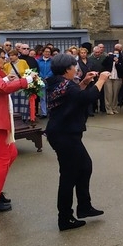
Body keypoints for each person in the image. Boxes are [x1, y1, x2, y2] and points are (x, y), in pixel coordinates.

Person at [45, 54, 110, 230]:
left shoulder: (58, 83)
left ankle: (84, 206)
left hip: (64, 132)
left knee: (85, 166)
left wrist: (85, 82)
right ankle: (65, 218)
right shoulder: (66, 85)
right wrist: (101, 80)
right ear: (67, 69)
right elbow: (86, 98)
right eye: (74, 66)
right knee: (69, 175)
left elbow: (73, 97)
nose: (76, 69)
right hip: (64, 134)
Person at [0, 46, 37, 213]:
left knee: (12, 153)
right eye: (2, 57)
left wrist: (6, 79)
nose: (5, 60)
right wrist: (27, 80)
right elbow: (3, 88)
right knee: (3, 159)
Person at [3, 50, 31, 122]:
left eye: (12, 55)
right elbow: (4, 74)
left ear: (17, 56)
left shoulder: (23, 62)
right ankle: (14, 117)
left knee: (23, 102)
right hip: (12, 86)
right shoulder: (6, 65)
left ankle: (24, 117)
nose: (11, 57)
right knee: (13, 102)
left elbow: (28, 72)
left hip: (22, 85)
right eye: (9, 56)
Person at [102, 46, 123, 115]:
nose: (115, 55)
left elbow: (122, 69)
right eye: (114, 53)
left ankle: (114, 108)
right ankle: (108, 109)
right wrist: (108, 57)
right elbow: (103, 64)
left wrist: (117, 63)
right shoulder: (109, 59)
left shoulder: (122, 60)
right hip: (108, 78)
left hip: (117, 78)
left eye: (117, 53)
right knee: (109, 93)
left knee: (115, 94)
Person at [37, 47, 53, 119]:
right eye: (46, 51)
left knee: (50, 97)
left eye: (49, 52)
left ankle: (50, 111)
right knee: (42, 97)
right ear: (43, 52)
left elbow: (53, 70)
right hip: (41, 81)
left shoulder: (52, 61)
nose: (47, 53)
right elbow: (37, 69)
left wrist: (48, 76)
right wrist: (42, 76)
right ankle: (44, 113)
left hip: (50, 81)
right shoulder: (38, 61)